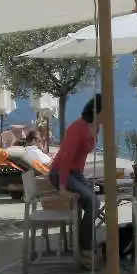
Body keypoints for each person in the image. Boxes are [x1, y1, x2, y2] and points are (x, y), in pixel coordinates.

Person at [49, 96, 100, 254]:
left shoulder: (95, 127)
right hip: (60, 172)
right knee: (93, 201)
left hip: (75, 174)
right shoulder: (78, 127)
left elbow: (80, 158)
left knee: (93, 200)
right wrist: (63, 185)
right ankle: (85, 248)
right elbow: (66, 157)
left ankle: (81, 242)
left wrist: (82, 179)